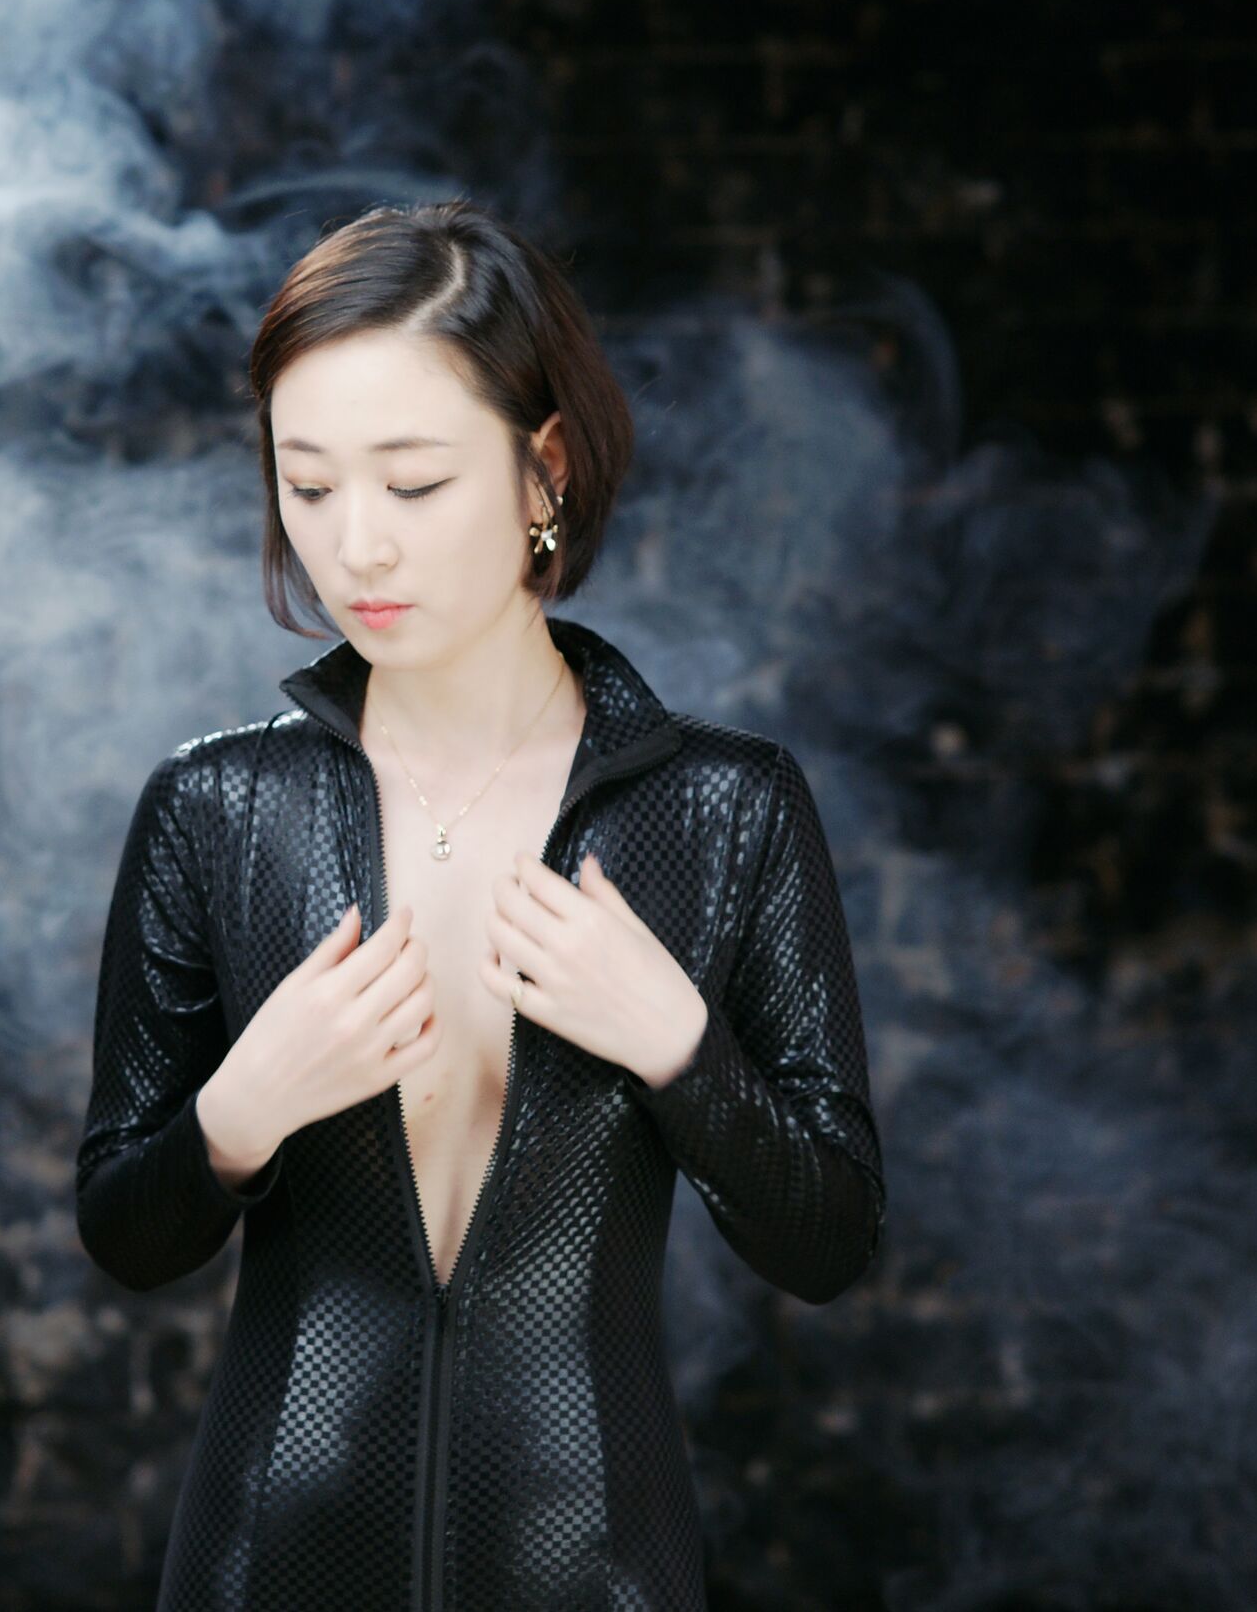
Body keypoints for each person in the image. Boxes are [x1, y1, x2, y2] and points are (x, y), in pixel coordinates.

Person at [75, 198, 886, 1612]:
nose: (356, 549)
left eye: (413, 484)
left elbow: (829, 1239)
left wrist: (681, 1052)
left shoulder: (725, 807)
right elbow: (126, 1232)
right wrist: (240, 1112)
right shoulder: (216, 808)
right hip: (267, 1565)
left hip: (599, 1570)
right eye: (308, 486)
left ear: (541, 470)